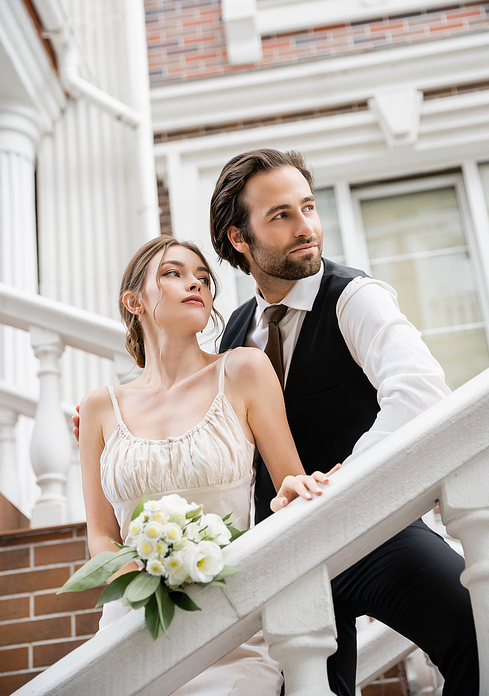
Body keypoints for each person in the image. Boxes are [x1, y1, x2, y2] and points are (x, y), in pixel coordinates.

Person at [210, 148, 480, 696]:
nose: (306, 226)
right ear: (240, 239)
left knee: (481, 635)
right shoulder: (234, 335)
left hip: (375, 531)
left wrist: (339, 487)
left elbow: (422, 395)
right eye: (280, 215)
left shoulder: (355, 298)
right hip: (289, 555)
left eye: (308, 207)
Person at [77, 234, 336, 696]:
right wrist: (129, 578)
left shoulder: (243, 370)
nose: (195, 284)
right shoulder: (99, 407)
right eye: (172, 273)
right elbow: (100, 533)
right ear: (133, 300)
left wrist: (302, 487)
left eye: (203, 277)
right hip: (133, 621)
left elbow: (288, 480)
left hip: (228, 616)